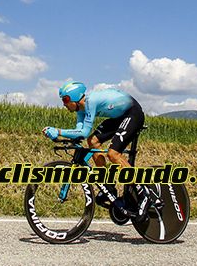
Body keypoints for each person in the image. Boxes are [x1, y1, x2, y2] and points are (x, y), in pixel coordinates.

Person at [43, 81, 152, 217]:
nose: (64, 104)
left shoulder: (90, 102)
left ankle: (143, 193)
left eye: (65, 99)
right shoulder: (80, 110)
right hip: (119, 117)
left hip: (133, 113)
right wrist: (62, 136)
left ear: (75, 97)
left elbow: (84, 132)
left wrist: (58, 131)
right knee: (93, 141)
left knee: (113, 154)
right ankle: (109, 186)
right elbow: (79, 132)